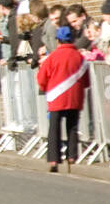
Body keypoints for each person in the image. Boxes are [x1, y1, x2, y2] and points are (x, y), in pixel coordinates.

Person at [36, 25, 89, 173]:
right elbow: (86, 81)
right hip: (75, 97)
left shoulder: (52, 57)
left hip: (56, 96)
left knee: (54, 128)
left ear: (58, 41)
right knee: (72, 127)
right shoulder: (80, 57)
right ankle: (72, 156)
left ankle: (53, 159)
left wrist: (45, 87)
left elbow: (41, 78)